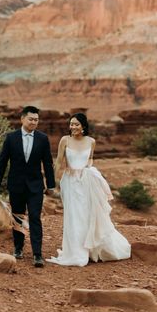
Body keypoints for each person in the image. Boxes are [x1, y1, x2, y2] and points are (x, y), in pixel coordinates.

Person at [48, 112, 131, 267]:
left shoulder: (91, 141)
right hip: (70, 183)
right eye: (71, 124)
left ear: (83, 126)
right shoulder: (64, 140)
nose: (73, 127)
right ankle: (75, 252)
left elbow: (90, 159)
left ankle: (91, 250)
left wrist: (89, 171)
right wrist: (52, 181)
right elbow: (58, 162)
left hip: (86, 183)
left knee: (87, 215)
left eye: (76, 124)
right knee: (74, 216)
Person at [0, 105, 55, 267]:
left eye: (36, 120)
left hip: (35, 185)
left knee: (35, 217)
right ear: (22, 119)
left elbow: (47, 162)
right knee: (18, 217)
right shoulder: (11, 138)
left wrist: (51, 184)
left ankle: (37, 254)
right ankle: (18, 248)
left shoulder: (42, 138)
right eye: (31, 119)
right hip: (16, 184)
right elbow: (2, 162)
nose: (34, 122)